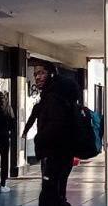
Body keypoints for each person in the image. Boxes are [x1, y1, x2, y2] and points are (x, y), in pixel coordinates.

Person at [32, 60, 81, 206]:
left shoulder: (53, 98)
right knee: (57, 195)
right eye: (35, 74)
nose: (37, 77)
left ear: (51, 74)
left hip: (54, 155)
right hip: (63, 154)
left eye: (41, 73)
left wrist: (38, 139)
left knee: (48, 197)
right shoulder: (58, 96)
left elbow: (55, 126)